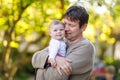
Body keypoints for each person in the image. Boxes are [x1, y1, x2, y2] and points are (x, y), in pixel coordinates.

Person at [32, 5, 95, 80]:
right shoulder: (62, 41)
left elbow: (57, 76)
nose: (66, 28)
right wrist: (56, 58)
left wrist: (40, 68)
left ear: (83, 27)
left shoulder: (85, 48)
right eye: (65, 24)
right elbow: (35, 58)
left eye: (71, 25)